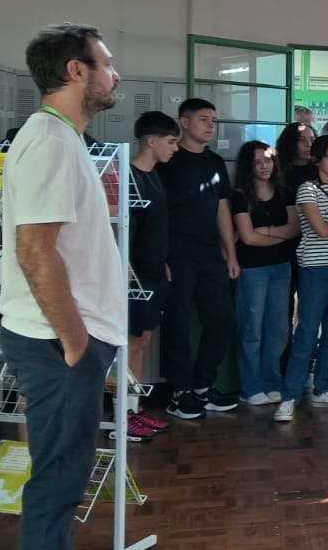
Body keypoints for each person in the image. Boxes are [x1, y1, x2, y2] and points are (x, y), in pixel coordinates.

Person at [0, 23, 131, 550]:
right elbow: (35, 251)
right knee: (55, 491)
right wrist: (77, 343)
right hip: (58, 346)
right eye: (105, 63)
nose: (114, 73)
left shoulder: (60, 139)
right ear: (76, 72)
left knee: (65, 486)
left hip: (65, 343)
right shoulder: (50, 142)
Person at [157, 98, 238, 418]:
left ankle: (203, 385)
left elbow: (222, 208)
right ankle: (179, 392)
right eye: (204, 119)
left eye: (213, 120)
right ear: (184, 122)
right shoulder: (168, 160)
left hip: (209, 252)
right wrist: (160, 256)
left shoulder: (214, 161)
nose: (210, 126)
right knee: (176, 321)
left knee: (222, 318)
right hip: (176, 252)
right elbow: (155, 211)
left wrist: (230, 253)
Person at [279, 133, 328, 422]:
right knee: (307, 332)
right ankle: (289, 396)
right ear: (317, 160)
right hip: (315, 267)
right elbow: (320, 230)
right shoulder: (307, 189)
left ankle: (323, 388)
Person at [229, 141, 298, 408]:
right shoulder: (240, 196)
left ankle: (271, 381)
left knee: (279, 328)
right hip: (252, 269)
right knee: (252, 329)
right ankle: (250, 386)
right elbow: (247, 238)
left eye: (267, 160)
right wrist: (276, 234)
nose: (263, 166)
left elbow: (294, 229)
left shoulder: (285, 192)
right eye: (256, 162)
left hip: (282, 266)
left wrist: (265, 232)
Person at [126, 111, 178, 439]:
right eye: (170, 142)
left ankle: (134, 408)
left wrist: (163, 261)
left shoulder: (156, 176)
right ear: (151, 141)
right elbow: (122, 229)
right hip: (135, 276)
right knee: (132, 344)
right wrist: (127, 268)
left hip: (154, 271)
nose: (175, 148)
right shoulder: (128, 176)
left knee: (143, 342)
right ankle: (125, 414)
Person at [274, 121, 317, 191]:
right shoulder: (278, 170)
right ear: (290, 142)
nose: (309, 144)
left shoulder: (320, 170)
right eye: (302, 140)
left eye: (312, 139)